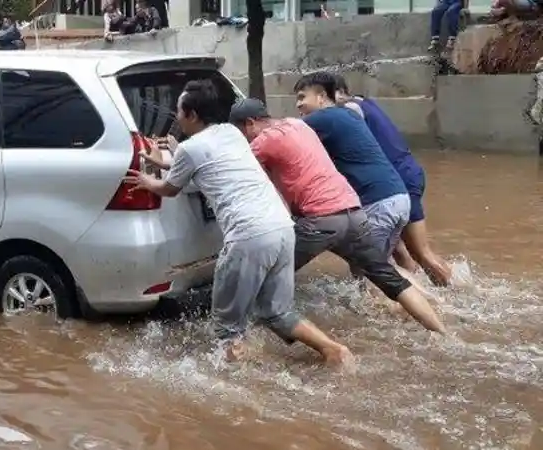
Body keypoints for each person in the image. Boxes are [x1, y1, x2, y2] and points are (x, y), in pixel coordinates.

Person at [125, 80, 353, 366]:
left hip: (248, 236)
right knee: (276, 312)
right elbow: (208, 163)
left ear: (192, 115)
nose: (176, 115)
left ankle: (236, 386)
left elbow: (170, 188)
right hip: (282, 228)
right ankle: (334, 350)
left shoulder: (189, 149)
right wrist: (163, 163)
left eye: (179, 110)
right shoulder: (231, 133)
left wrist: (147, 180)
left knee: (226, 326)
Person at [228, 98, 446, 334]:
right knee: (390, 279)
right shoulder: (298, 125)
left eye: (242, 133)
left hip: (320, 221)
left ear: (251, 123)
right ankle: (442, 332)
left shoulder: (264, 141)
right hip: (354, 212)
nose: (246, 139)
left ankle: (246, 340)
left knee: (264, 277)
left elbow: (232, 169)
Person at [333, 75, 453, 287]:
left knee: (420, 252)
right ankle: (420, 294)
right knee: (399, 250)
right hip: (405, 174)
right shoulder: (364, 102)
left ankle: (453, 298)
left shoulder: (349, 109)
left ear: (339, 93)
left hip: (395, 181)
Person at [293, 72, 412, 282]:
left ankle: (431, 306)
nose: (298, 105)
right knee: (377, 266)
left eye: (302, 97)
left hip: (377, 203)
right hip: (396, 197)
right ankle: (436, 298)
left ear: (321, 97)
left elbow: (282, 133)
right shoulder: (346, 115)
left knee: (374, 275)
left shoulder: (322, 118)